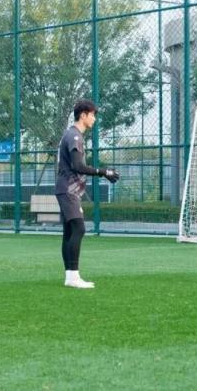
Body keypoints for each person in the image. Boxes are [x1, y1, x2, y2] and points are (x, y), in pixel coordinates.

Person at [56, 100, 120, 289]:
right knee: (79, 229)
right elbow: (78, 166)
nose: (94, 119)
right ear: (83, 115)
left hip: (67, 189)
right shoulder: (74, 136)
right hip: (68, 190)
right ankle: (73, 277)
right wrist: (103, 172)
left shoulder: (71, 134)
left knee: (70, 231)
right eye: (92, 115)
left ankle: (70, 277)